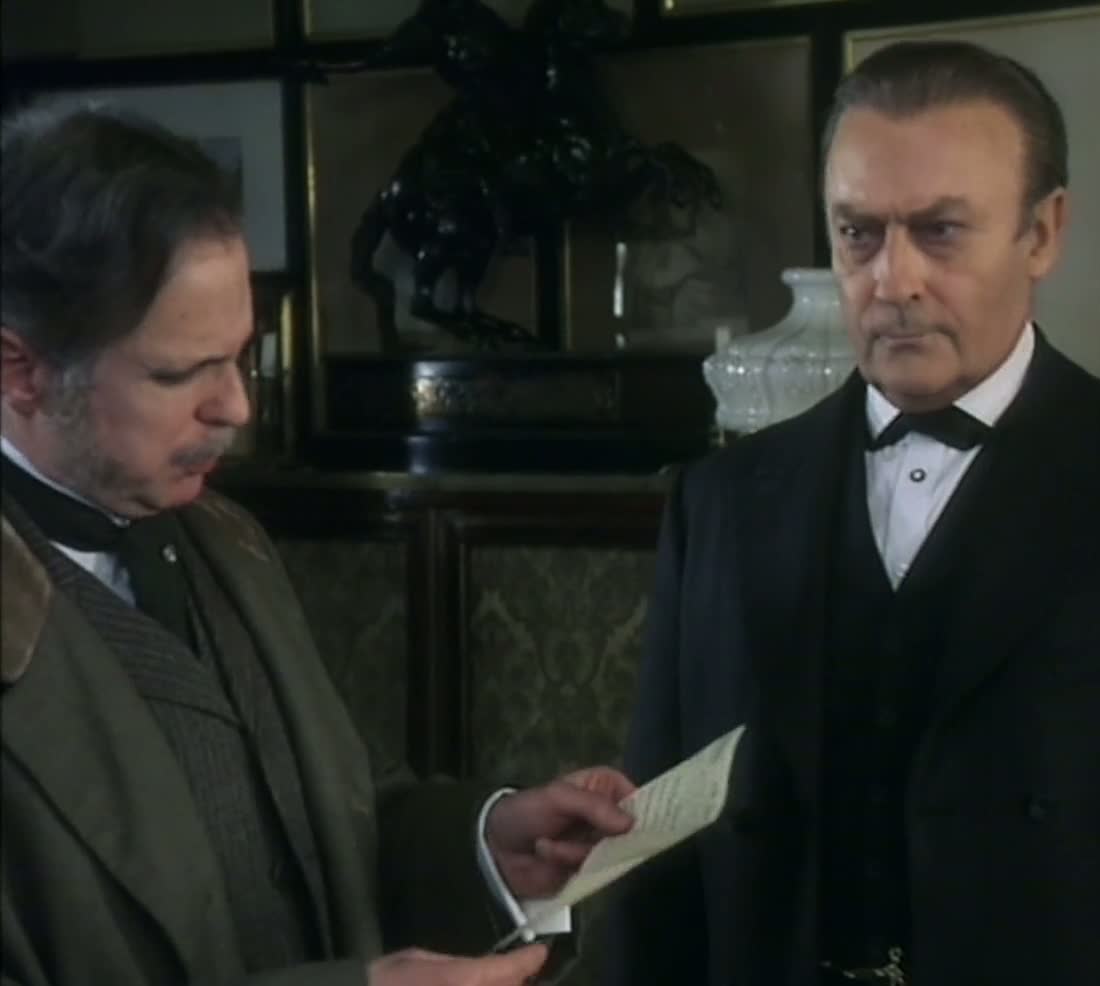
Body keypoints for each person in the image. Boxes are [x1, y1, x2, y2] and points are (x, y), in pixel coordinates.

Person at [608, 40, 1100, 986]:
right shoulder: (717, 502)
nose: (893, 280)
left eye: (941, 231)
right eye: (859, 233)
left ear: (1043, 233)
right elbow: (656, 874)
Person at [0, 101, 636, 986]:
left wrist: (487, 849)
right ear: (21, 370)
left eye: (239, 356)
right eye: (179, 373)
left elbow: (333, 823)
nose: (236, 408)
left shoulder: (230, 539)